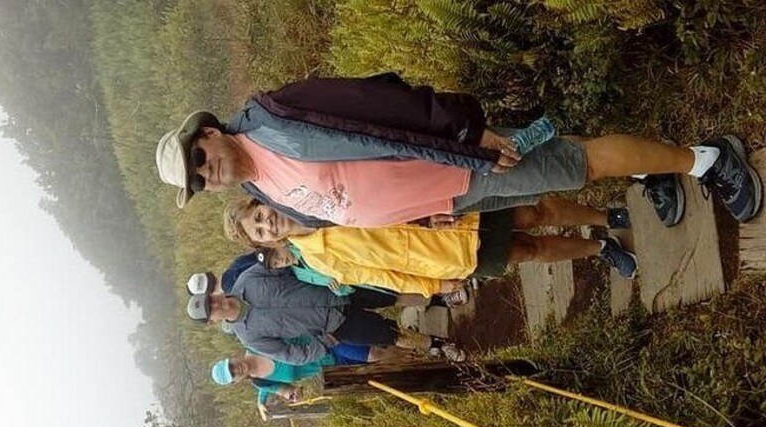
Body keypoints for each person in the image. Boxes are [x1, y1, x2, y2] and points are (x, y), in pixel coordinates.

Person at [156, 73, 761, 229]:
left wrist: (466, 134)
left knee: (580, 164)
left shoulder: (276, 117)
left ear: (208, 134)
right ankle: (658, 170)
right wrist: (426, 214)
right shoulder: (260, 187)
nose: (208, 177)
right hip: (452, 194)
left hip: (455, 161)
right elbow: (339, 208)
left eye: (200, 163)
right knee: (566, 171)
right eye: (199, 184)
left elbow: (380, 107)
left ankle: (705, 160)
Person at [224, 195, 640, 289]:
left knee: (534, 214)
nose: (268, 223)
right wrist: (432, 287)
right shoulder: (320, 259)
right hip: (444, 255)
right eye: (261, 231)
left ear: (263, 202)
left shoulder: (316, 197)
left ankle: (604, 216)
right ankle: (601, 249)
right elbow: (382, 276)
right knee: (528, 250)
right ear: (269, 241)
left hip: (448, 212)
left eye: (259, 215)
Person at [186, 263, 466, 363]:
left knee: (396, 293)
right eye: (210, 311)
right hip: (335, 327)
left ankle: (445, 292)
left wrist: (325, 273)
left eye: (210, 300)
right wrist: (326, 343)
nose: (216, 305)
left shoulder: (248, 279)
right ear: (212, 322)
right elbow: (291, 356)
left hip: (339, 288)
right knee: (392, 336)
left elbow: (289, 264)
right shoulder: (250, 337)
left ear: (212, 294)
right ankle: (439, 345)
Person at [210, 340, 407, 420]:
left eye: (232, 365)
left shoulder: (256, 343)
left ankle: (420, 350)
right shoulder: (260, 382)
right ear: (236, 382)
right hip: (331, 368)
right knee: (380, 370)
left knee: (375, 353)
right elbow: (282, 390)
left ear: (232, 358)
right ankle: (421, 357)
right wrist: (289, 396)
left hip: (326, 344)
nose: (236, 369)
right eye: (233, 374)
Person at [255, 245, 469, 307]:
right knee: (402, 286)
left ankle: (461, 272)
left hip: (366, 259)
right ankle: (452, 288)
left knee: (413, 264)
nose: (280, 261)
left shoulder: (303, 245)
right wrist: (338, 288)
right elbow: (344, 288)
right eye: (275, 264)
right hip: (365, 280)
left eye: (277, 256)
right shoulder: (301, 275)